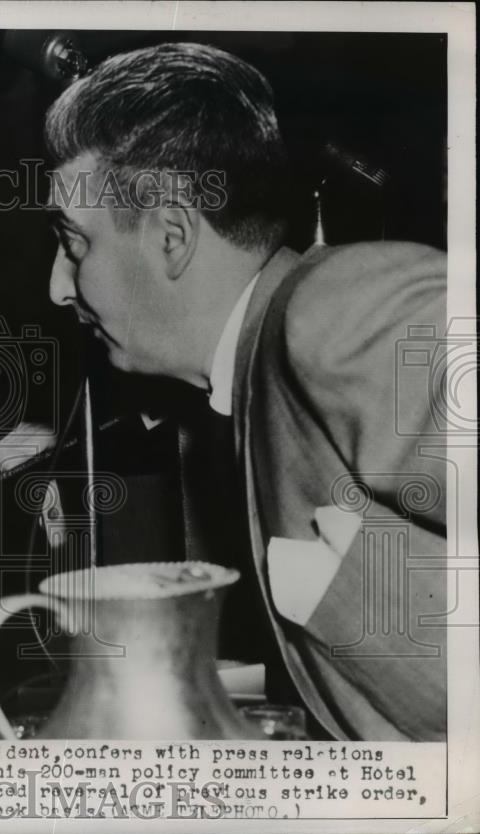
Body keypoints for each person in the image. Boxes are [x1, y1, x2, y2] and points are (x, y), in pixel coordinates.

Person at [42, 41, 447, 741]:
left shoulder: (333, 309)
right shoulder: (245, 391)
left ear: (172, 236)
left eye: (75, 243)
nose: (57, 286)